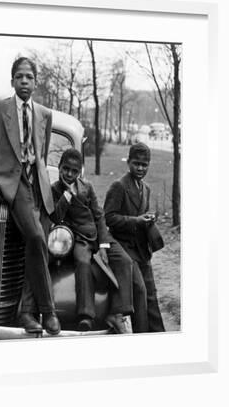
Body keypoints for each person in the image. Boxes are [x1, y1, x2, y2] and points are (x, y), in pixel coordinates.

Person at [0, 57, 60, 335]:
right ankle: (47, 312)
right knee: (36, 238)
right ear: (12, 81)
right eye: (19, 77)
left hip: (39, 187)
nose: (24, 81)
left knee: (38, 246)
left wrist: (43, 184)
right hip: (14, 183)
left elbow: (42, 155)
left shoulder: (45, 114)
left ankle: (26, 311)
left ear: (36, 82)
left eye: (29, 77)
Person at [49, 149, 146, 333]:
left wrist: (103, 244)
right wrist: (68, 195)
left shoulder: (87, 187)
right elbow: (56, 216)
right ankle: (86, 315)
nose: (69, 174)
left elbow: (99, 216)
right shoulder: (55, 190)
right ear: (60, 168)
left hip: (98, 237)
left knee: (124, 261)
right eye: (66, 169)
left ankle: (117, 312)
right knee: (83, 262)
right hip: (78, 238)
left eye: (74, 171)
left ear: (80, 172)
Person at [104, 142, 165, 332]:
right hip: (123, 248)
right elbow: (109, 218)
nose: (140, 168)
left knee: (151, 294)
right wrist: (136, 220)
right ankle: (141, 335)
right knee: (139, 290)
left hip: (141, 249)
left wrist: (148, 219)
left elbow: (141, 214)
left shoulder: (145, 189)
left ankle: (159, 336)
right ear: (128, 162)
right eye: (136, 163)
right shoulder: (119, 186)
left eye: (144, 164)